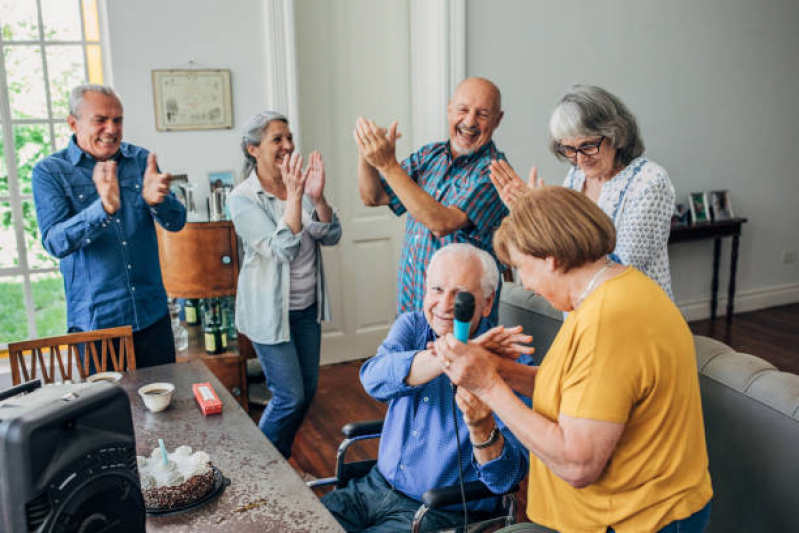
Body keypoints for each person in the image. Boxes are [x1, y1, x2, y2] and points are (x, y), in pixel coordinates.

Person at [435, 187, 713, 533]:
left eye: (522, 268)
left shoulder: (608, 321)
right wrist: (496, 368)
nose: (528, 285)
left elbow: (577, 464)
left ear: (550, 257)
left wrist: (489, 387)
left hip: (638, 520)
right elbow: (581, 392)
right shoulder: (614, 291)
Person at [321, 243, 532, 532]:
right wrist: (458, 352)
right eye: (436, 290)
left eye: (460, 295)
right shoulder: (413, 326)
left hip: (437, 510)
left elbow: (505, 479)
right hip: (372, 487)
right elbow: (373, 380)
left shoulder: (514, 363)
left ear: (486, 302)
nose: (445, 306)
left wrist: (482, 425)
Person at [32, 84, 186, 368]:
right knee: (107, 412)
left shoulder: (140, 160)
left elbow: (176, 222)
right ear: (72, 122)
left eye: (117, 120)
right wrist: (101, 209)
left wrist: (158, 202)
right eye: (100, 120)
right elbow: (55, 242)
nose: (111, 129)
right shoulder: (50, 172)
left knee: (165, 409)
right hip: (97, 327)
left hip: (152, 317)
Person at [490, 85, 675, 298]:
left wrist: (546, 218)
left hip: (631, 308)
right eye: (569, 149)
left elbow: (623, 267)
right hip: (582, 306)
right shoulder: (576, 176)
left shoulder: (650, 182)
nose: (580, 159)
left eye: (588, 146)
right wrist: (534, 216)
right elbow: (561, 245)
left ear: (614, 134)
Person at [229, 111, 341, 459]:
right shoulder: (244, 198)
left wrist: (317, 198)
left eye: (289, 137)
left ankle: (282, 461)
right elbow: (283, 250)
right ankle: (263, 470)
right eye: (277, 139)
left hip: (306, 308)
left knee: (306, 393)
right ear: (252, 149)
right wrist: (294, 198)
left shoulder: (300, 185)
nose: (288, 145)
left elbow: (332, 235)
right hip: (269, 314)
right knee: (289, 396)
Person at [354, 77, 510, 320]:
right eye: (463, 109)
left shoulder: (494, 172)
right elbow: (373, 196)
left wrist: (387, 164)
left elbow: (442, 223)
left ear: (498, 120)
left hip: (460, 319)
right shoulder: (429, 155)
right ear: (449, 109)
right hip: (412, 309)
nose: (470, 121)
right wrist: (368, 155)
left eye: (482, 114)